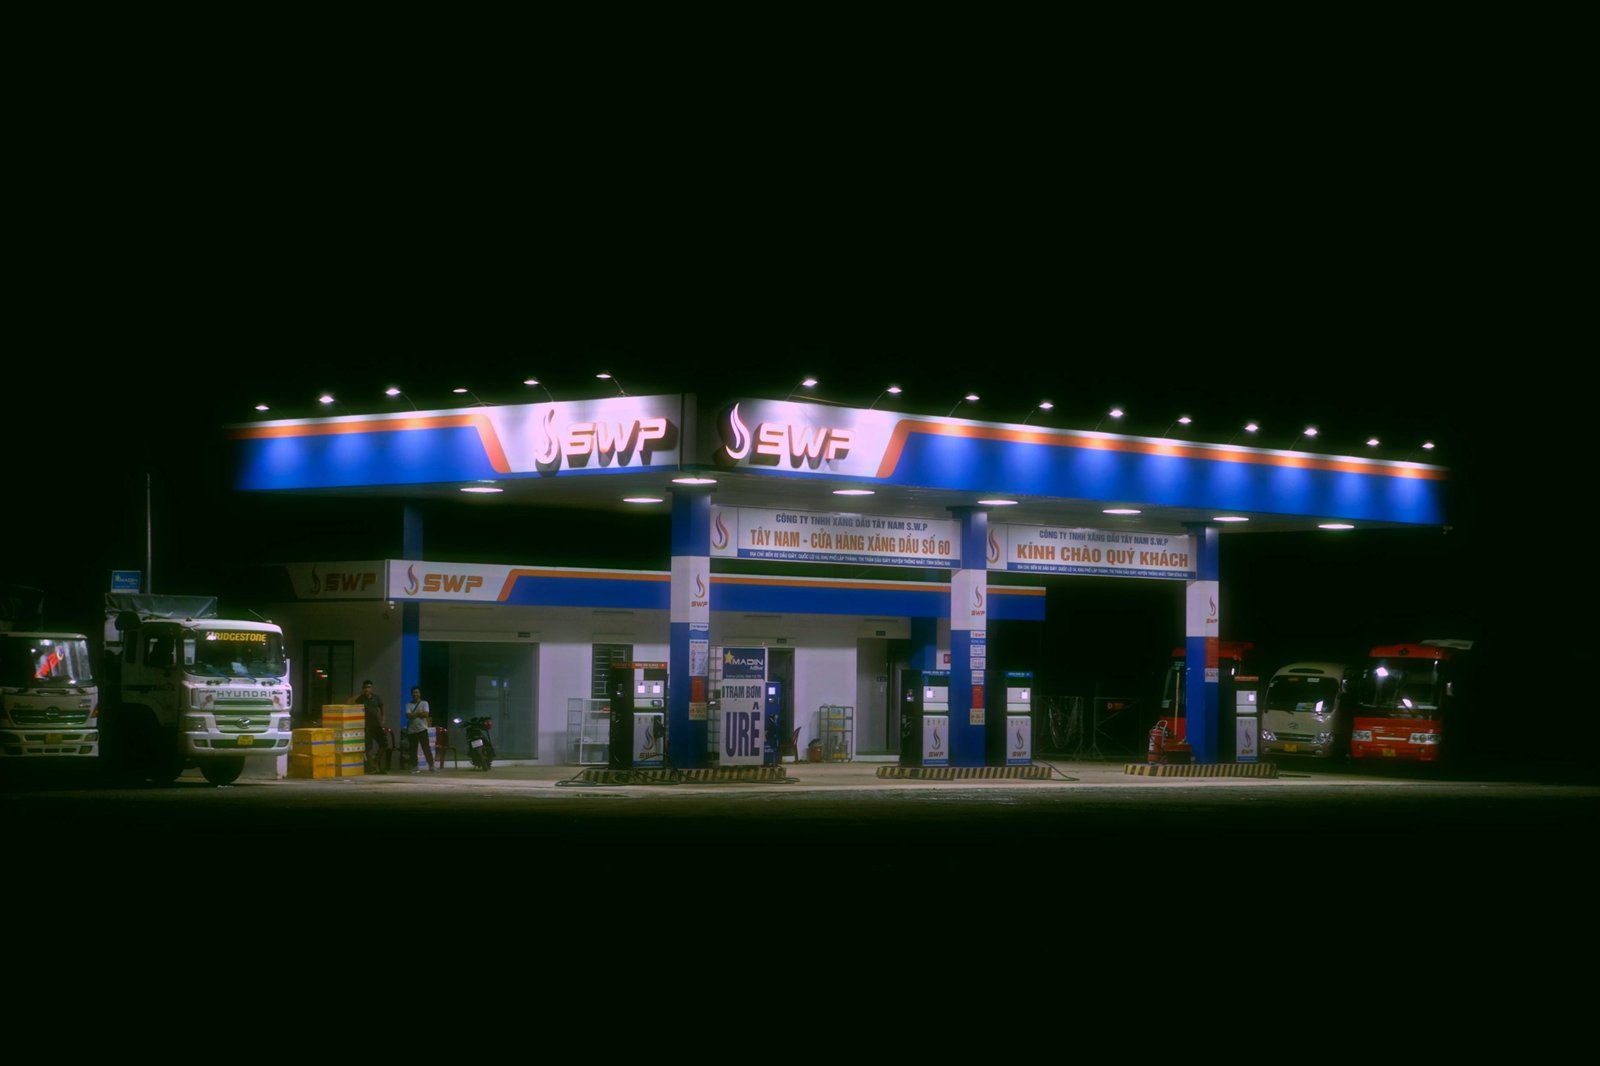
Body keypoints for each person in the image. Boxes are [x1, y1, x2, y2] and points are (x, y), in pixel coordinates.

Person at [352, 679, 386, 774]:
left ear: (372, 688)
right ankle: (372, 767)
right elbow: (349, 702)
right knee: (368, 747)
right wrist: (360, 693)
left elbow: (382, 707)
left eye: (369, 687)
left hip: (377, 725)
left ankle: (376, 762)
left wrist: (383, 719)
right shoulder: (361, 698)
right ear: (363, 688)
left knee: (384, 744)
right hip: (367, 726)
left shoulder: (376, 697)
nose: (367, 689)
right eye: (366, 687)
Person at [405, 685, 436, 773]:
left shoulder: (424, 703)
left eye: (417, 692)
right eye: (414, 692)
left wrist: (414, 714)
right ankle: (415, 766)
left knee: (426, 747)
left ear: (420, 694)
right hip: (412, 730)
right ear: (411, 694)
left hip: (422, 729)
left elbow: (426, 715)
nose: (415, 694)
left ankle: (431, 766)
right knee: (413, 749)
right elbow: (407, 716)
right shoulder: (408, 704)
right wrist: (419, 713)